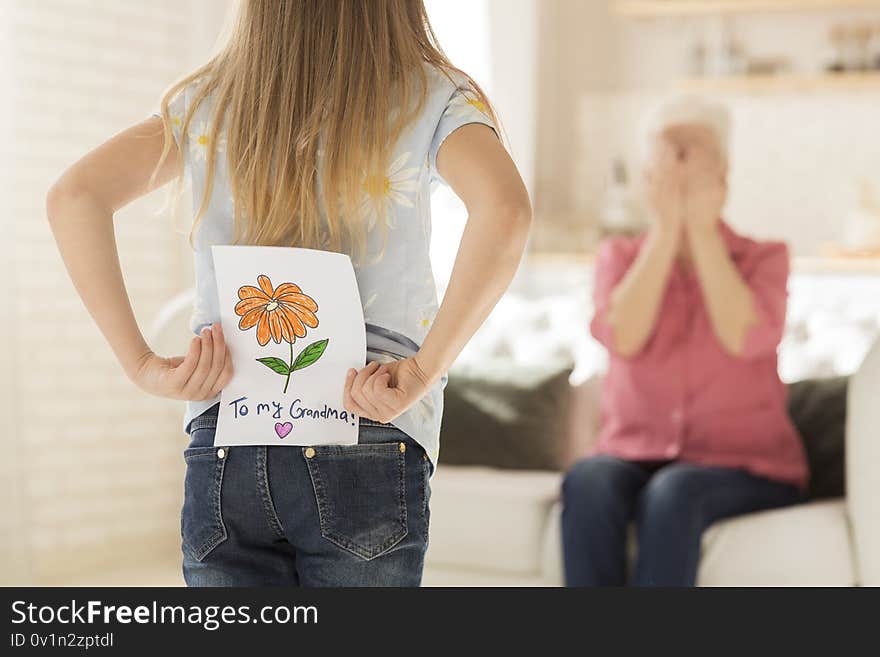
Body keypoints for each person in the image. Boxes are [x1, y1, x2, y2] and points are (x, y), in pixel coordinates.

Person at [45, 0, 531, 587]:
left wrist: (143, 366)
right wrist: (424, 371)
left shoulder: (205, 103)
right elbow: (505, 212)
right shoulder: (436, 95)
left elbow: (74, 197)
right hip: (367, 413)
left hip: (229, 424)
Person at [561, 95, 807, 587]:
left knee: (676, 491)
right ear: (646, 175)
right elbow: (620, 336)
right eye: (667, 155)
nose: (678, 168)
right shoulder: (619, 256)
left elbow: (748, 335)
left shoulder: (765, 257)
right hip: (633, 455)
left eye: (691, 154)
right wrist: (668, 230)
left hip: (749, 467)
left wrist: (701, 231)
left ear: (724, 172)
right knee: (588, 480)